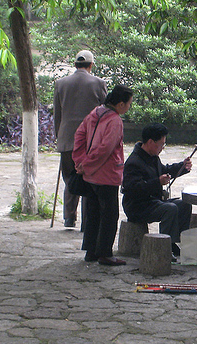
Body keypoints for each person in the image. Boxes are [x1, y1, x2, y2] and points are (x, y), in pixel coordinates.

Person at [72, 84, 133, 266]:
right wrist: (87, 164)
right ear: (121, 104)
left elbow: (79, 136)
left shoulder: (95, 113)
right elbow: (106, 148)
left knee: (93, 213)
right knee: (109, 214)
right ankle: (105, 253)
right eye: (129, 104)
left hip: (90, 175)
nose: (129, 107)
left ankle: (91, 251)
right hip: (106, 174)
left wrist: (81, 162)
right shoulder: (115, 120)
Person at [122, 123, 192, 259]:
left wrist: (182, 167)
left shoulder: (153, 156)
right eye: (161, 144)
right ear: (150, 142)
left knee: (184, 204)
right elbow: (133, 188)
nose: (162, 148)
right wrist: (157, 182)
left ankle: (174, 241)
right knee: (170, 209)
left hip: (153, 201)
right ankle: (164, 246)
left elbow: (164, 170)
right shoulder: (134, 162)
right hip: (138, 206)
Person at [54, 50, 108, 228]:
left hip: (67, 139)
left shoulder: (61, 84)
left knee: (70, 178)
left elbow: (57, 115)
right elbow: (106, 113)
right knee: (89, 179)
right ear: (91, 65)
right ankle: (87, 222)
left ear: (75, 64)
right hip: (90, 140)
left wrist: (59, 138)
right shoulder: (99, 83)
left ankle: (69, 217)